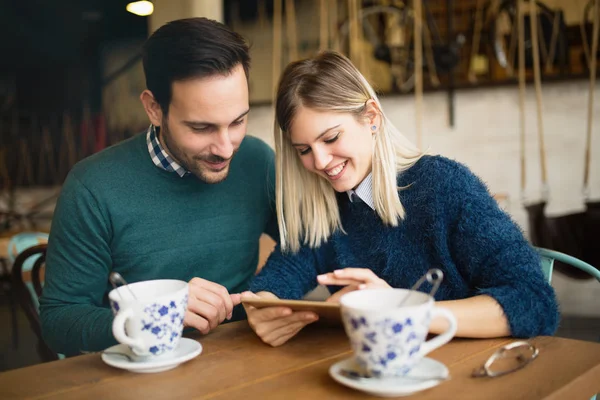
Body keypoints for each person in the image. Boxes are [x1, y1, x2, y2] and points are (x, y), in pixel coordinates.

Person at [242, 51, 559, 347]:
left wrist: (401, 309)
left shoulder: (444, 186)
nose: (321, 161)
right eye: (304, 150)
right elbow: (273, 284)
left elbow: (533, 300)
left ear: (371, 118)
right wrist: (264, 310)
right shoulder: (322, 209)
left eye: (330, 138)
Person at [40, 18, 278, 356]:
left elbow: (311, 249)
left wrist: (267, 291)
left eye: (238, 121)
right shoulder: (92, 186)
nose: (226, 148)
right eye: (201, 127)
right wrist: (155, 316)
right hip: (144, 376)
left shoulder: (257, 160)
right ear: (154, 108)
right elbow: (59, 321)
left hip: (246, 363)